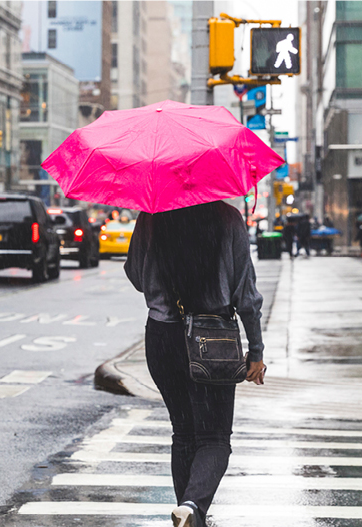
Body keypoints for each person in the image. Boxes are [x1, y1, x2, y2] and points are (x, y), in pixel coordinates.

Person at [124, 201, 265, 527]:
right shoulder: (228, 218)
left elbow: (136, 276)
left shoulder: (151, 216)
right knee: (214, 439)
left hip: (161, 337)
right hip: (211, 337)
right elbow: (246, 294)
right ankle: (191, 505)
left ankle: (187, 513)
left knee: (184, 433)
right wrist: (255, 351)